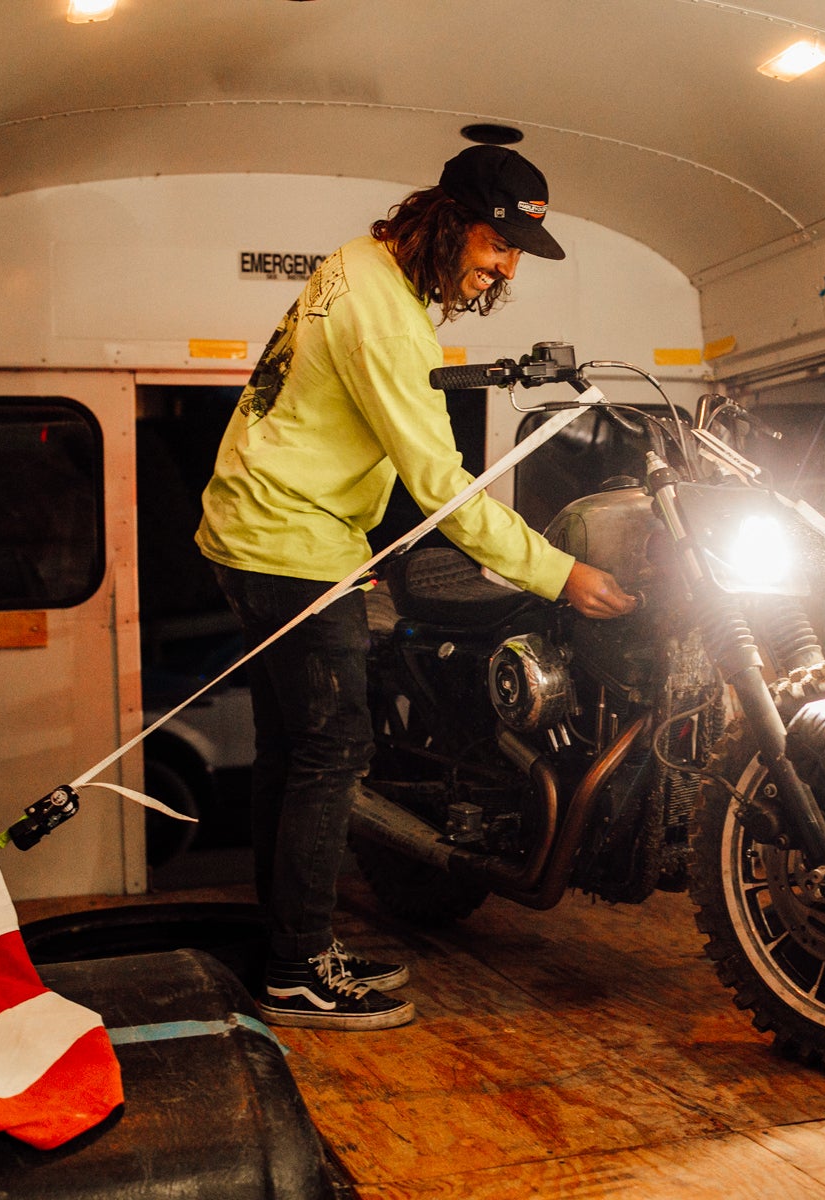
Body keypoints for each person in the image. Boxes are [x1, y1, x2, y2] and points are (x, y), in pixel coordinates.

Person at [196, 145, 637, 1030]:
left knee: (292, 749)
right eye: (498, 245)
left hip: (251, 528)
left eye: (515, 255)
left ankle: (292, 944)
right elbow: (441, 486)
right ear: (448, 220)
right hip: (289, 543)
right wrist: (562, 574)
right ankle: (295, 974)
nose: (504, 268)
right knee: (333, 749)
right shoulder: (389, 319)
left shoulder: (358, 261)